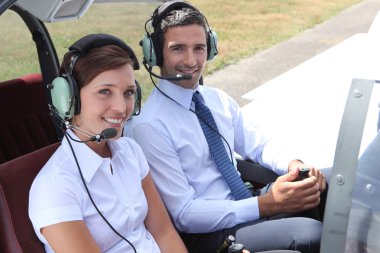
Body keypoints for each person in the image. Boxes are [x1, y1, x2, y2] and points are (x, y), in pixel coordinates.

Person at [125, 1, 328, 253]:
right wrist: (267, 204)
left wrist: (294, 164)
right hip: (209, 233)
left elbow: (260, 144)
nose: (190, 60)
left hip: (245, 204)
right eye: (178, 49)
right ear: (155, 53)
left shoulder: (216, 99)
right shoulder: (150, 126)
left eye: (198, 48)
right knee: (312, 235)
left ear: (209, 49)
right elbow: (185, 214)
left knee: (326, 182)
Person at [29, 33, 188, 253]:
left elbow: (164, 233)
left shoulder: (130, 151)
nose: (121, 108)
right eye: (105, 91)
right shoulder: (55, 187)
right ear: (69, 99)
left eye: (128, 92)